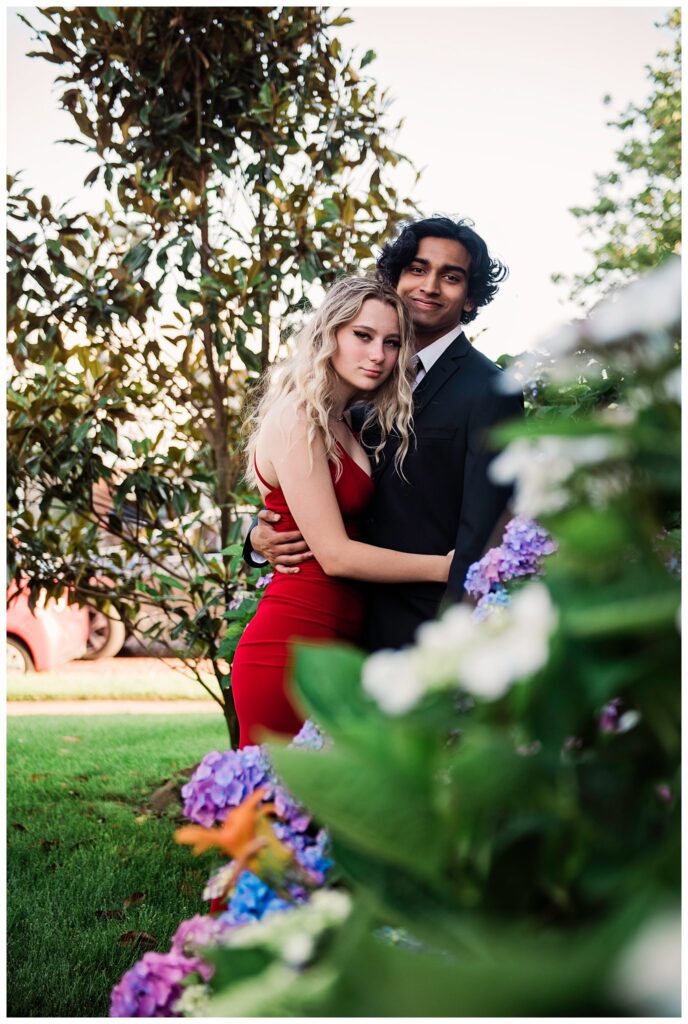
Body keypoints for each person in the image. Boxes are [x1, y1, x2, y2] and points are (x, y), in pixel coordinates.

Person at [246, 217, 524, 650]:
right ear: (395, 279)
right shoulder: (355, 382)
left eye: (450, 277)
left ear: (469, 298)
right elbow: (310, 487)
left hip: (425, 632)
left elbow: (483, 535)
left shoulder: (490, 391)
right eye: (417, 269)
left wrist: (452, 648)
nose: (429, 286)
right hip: (343, 626)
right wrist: (257, 537)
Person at [233, 275, 454, 746]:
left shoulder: (346, 420)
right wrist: (446, 568)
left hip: (340, 646)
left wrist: (255, 535)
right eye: (362, 336)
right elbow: (334, 554)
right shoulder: (298, 417)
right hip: (290, 648)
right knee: (275, 813)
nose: (378, 354)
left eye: (391, 342)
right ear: (328, 334)